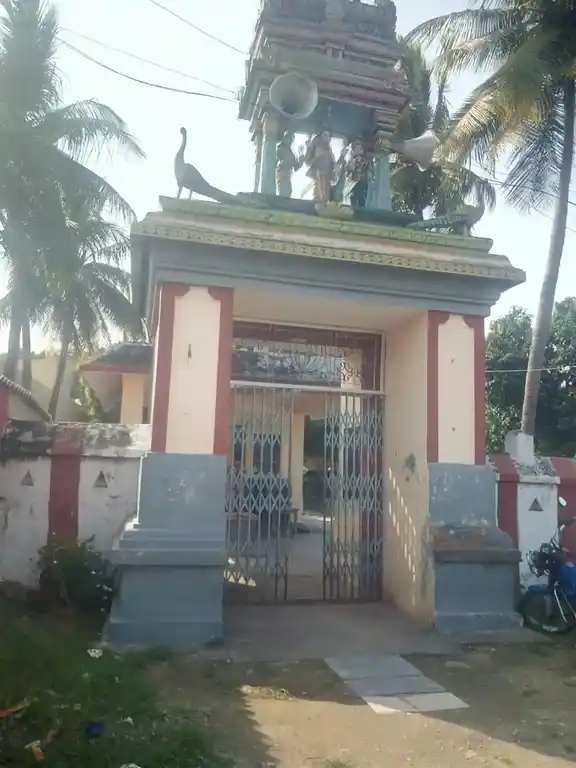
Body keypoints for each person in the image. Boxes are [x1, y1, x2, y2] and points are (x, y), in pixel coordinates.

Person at [304, 129, 335, 204]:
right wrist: (314, 154)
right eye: (324, 135)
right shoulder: (314, 147)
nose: (327, 137)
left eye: (328, 136)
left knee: (326, 198)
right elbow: (307, 162)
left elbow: (333, 165)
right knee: (317, 197)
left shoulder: (329, 150)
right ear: (320, 136)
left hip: (327, 178)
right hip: (317, 177)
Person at [275, 131, 303, 198]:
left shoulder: (292, 153)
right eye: (288, 138)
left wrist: (301, 158)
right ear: (284, 139)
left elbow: (296, 167)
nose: (290, 141)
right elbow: (276, 161)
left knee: (288, 191)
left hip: (288, 174)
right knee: (282, 190)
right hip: (281, 172)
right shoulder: (280, 148)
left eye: (291, 139)